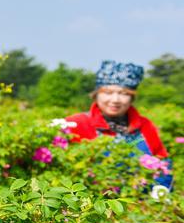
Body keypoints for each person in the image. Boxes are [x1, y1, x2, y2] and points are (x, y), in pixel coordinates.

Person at [65, 60, 173, 194]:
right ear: (96, 94)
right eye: (108, 92)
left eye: (124, 93)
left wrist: (159, 192)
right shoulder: (76, 123)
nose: (115, 100)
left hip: (142, 206)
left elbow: (163, 161)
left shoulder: (145, 125)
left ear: (132, 97)